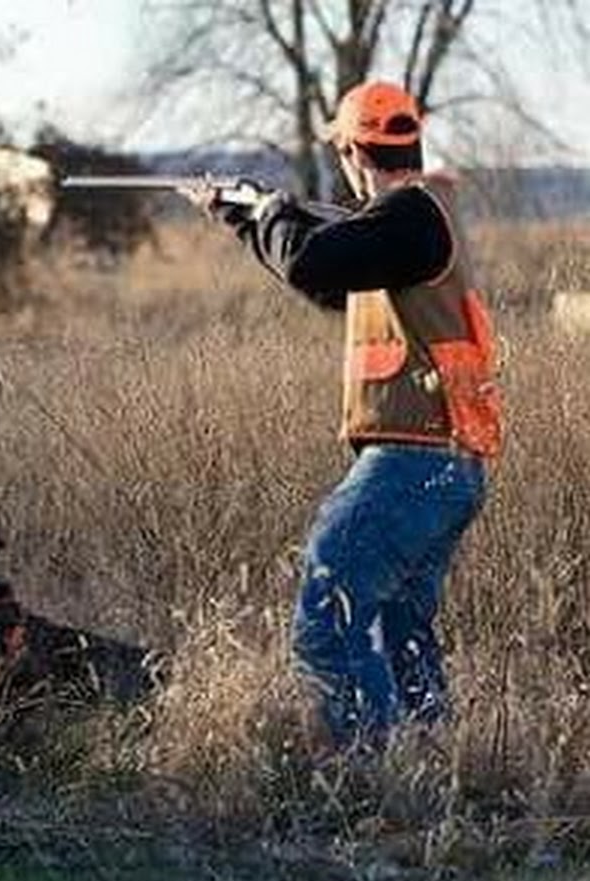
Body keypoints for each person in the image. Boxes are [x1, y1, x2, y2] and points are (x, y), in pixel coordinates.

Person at [185, 81, 502, 749]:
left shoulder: (410, 217)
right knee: (394, 630)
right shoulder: (408, 223)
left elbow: (307, 261)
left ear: (356, 150)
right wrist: (244, 218)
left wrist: (270, 208)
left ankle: (364, 781)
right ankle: (427, 777)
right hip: (442, 466)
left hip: (415, 461)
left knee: (326, 619)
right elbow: (329, 281)